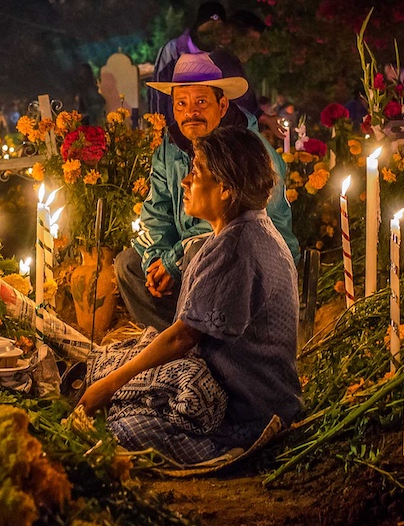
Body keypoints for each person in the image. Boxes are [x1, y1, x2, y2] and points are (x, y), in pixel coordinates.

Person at [79, 126, 302, 463]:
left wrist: (108, 387)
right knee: (112, 370)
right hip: (248, 394)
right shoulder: (245, 231)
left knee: (122, 426)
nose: (185, 181)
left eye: (196, 172)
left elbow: (181, 338)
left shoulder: (236, 248)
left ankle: (230, 452)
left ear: (226, 189)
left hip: (248, 410)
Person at [116, 52, 299, 331]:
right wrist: (157, 259)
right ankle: (173, 342)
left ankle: (194, 344)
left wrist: (175, 259)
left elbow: (247, 232)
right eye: (181, 103)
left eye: (201, 102)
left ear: (222, 105)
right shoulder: (170, 149)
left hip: (244, 269)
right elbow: (156, 213)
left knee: (201, 254)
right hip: (187, 261)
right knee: (129, 264)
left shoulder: (248, 151)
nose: (191, 113)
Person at [148, 2, 228, 129]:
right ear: (198, 26)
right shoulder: (172, 50)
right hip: (177, 129)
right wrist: (159, 130)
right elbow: (158, 95)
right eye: (208, 29)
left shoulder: (222, 56)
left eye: (218, 28)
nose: (213, 33)